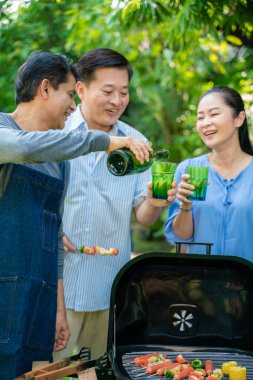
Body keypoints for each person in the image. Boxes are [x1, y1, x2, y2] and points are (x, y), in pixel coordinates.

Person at [0, 50, 152, 379]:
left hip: (43, 293)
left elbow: (52, 231)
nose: (72, 106)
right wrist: (105, 141)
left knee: (47, 371)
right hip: (6, 289)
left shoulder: (59, 161)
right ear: (44, 89)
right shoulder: (5, 131)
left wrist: (57, 309)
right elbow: (25, 148)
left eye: (123, 92)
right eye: (69, 94)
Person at [54, 48, 177, 362]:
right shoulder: (56, 134)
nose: (117, 100)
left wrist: (154, 200)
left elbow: (145, 217)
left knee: (95, 368)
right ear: (81, 89)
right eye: (107, 91)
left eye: (123, 92)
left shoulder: (137, 143)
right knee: (50, 368)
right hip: (58, 286)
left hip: (109, 286)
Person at [165, 86, 253, 259]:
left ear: (239, 118)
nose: (205, 123)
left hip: (248, 281)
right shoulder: (187, 170)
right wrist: (185, 206)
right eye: (200, 117)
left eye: (214, 114)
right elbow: (181, 239)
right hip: (202, 281)